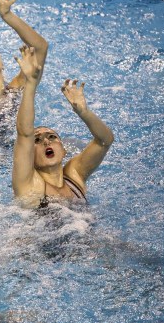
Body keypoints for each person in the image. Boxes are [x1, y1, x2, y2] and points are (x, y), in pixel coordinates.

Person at [12, 45, 114, 208]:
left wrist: (84, 113)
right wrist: (30, 84)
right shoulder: (30, 185)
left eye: (52, 137)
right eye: (37, 140)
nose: (46, 141)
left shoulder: (75, 176)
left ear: (64, 150)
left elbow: (105, 140)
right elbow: (24, 133)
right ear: (29, 155)